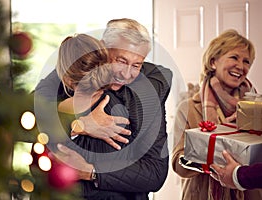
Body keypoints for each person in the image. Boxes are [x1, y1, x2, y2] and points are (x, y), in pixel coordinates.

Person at [34, 18, 172, 200]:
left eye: (137, 65)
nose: (126, 74)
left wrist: (89, 171)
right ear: (102, 48)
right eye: (121, 61)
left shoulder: (150, 91)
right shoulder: (71, 74)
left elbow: (154, 173)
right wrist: (78, 124)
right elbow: (23, 115)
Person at [171, 29, 260, 199]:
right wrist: (207, 153)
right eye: (234, 57)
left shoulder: (257, 109)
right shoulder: (188, 107)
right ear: (213, 62)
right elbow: (178, 164)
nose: (241, 66)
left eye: (246, 61)